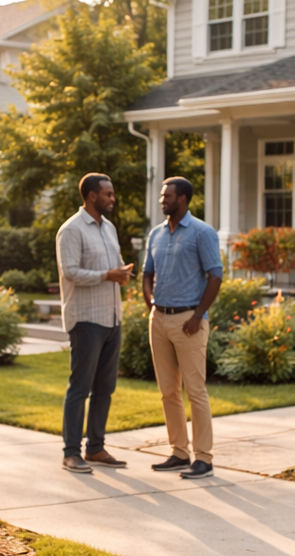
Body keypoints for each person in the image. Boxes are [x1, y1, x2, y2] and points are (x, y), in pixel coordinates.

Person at [141, 177, 223, 479]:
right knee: (168, 392)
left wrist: (198, 315)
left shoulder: (202, 233)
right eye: (162, 196)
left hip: (189, 321)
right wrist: (150, 303)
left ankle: (204, 458)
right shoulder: (156, 234)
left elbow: (215, 276)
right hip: (159, 320)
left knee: (195, 391)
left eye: (168, 196)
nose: (163, 200)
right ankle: (179, 451)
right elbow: (147, 274)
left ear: (183, 199)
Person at [56, 173, 135, 473]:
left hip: (112, 317)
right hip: (86, 320)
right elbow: (71, 272)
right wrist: (107, 275)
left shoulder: (109, 228)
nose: (112, 199)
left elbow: (108, 267)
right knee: (80, 386)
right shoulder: (71, 230)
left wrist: (120, 273)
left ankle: (96, 448)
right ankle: (71, 452)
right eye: (108, 194)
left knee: (106, 387)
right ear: (91, 196)